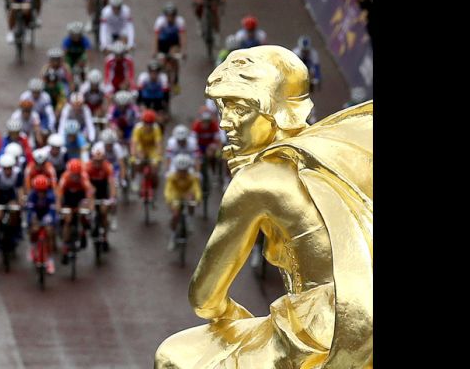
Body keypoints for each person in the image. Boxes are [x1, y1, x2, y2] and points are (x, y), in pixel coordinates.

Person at [155, 45, 373, 369]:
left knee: (172, 355)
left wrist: (233, 317)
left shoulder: (256, 182)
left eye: (240, 108)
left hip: (321, 331)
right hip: (361, 315)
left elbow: (203, 298)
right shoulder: (334, 155)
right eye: (222, 107)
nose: (225, 123)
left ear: (276, 111)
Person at [56, 158, 94, 264]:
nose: (75, 177)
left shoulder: (84, 177)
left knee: (84, 210)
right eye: (73, 174)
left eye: (77, 174)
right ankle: (65, 247)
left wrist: (90, 208)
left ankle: (83, 232)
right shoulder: (65, 178)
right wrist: (59, 209)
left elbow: (90, 194)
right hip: (68, 200)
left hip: (80, 199)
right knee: (67, 220)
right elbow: (59, 196)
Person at [163, 154, 202, 250]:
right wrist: (169, 199)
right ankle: (172, 237)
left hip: (187, 194)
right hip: (176, 194)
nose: (182, 173)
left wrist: (197, 199)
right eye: (180, 171)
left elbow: (196, 189)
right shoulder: (171, 177)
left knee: (191, 200)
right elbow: (168, 190)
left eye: (184, 171)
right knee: (175, 215)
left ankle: (189, 220)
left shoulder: (192, 177)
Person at [0, 154, 25, 254]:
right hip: (0, 195)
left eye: (9, 168)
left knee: (15, 211)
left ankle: (16, 232)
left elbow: (20, 190)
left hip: (11, 195)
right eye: (5, 169)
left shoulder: (17, 173)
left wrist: (21, 203)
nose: (7, 171)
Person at [25, 175, 57, 274]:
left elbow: (53, 210)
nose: (41, 193)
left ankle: (50, 260)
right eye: (39, 191)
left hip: (47, 215)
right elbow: (29, 211)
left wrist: (50, 219)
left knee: (50, 232)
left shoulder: (51, 196)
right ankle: (33, 246)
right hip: (36, 215)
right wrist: (32, 220)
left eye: (43, 191)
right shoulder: (31, 195)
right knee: (33, 229)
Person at [85, 145, 116, 246]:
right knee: (87, 210)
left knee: (104, 213)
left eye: (100, 161)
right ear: (92, 159)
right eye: (96, 161)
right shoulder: (87, 167)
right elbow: (85, 184)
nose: (98, 163)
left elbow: (111, 184)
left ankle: (105, 236)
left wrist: (112, 198)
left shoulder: (108, 167)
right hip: (91, 190)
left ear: (103, 159)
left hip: (103, 191)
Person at [154, 2, 187, 94]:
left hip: (174, 43)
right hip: (163, 43)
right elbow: (156, 37)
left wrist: (183, 51)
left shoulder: (180, 21)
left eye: (172, 16)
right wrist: (155, 51)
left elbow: (182, 37)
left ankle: (176, 80)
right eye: (168, 16)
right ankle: (164, 79)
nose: (170, 18)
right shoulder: (160, 22)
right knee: (162, 62)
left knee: (175, 57)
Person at [130, 109, 163, 193]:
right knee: (138, 161)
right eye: (146, 123)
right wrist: (133, 155)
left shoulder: (156, 128)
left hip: (152, 148)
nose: (148, 125)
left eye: (150, 123)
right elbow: (134, 143)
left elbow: (158, 144)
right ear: (143, 121)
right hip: (141, 147)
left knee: (154, 166)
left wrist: (159, 156)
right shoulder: (138, 128)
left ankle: (155, 183)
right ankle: (137, 179)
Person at [190, 107, 223, 179]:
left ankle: (216, 173)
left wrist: (219, 151)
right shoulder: (196, 126)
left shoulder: (214, 125)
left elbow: (218, 140)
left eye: (208, 121)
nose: (206, 124)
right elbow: (192, 142)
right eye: (204, 122)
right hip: (200, 146)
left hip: (210, 146)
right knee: (199, 161)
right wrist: (197, 152)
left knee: (217, 157)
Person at [94, 128, 129, 192]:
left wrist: (122, 179)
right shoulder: (98, 147)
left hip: (114, 167)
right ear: (104, 143)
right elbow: (95, 163)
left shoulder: (117, 147)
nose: (109, 146)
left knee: (115, 183)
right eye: (107, 144)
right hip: (103, 167)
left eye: (111, 144)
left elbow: (122, 165)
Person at [61, 22, 92, 86]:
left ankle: (84, 80)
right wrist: (65, 65)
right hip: (70, 57)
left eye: (78, 35)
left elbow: (88, 53)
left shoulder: (85, 40)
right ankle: (68, 80)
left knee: (84, 59)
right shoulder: (67, 41)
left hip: (80, 57)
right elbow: (64, 53)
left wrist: (86, 64)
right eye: (74, 35)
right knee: (66, 66)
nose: (76, 37)